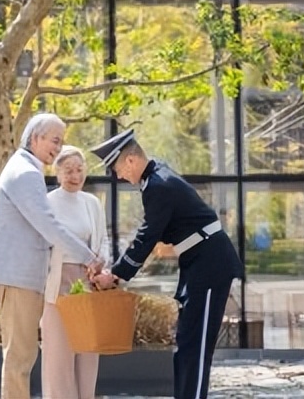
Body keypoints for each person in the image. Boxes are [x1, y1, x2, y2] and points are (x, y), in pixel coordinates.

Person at [90, 129, 243, 399]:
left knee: (194, 346)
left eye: (117, 169)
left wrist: (115, 275)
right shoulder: (157, 177)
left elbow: (146, 237)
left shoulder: (158, 186)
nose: (118, 176)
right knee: (186, 343)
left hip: (209, 265)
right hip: (197, 264)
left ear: (131, 161)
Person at [0, 113, 104, 399]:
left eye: (61, 141)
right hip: (17, 281)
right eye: (54, 140)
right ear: (35, 138)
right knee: (19, 361)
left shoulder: (25, 169)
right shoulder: (25, 173)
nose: (58, 148)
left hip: (21, 280)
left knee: (21, 359)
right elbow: (50, 226)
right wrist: (89, 258)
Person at [40, 145, 109, 399]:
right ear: (57, 172)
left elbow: (103, 240)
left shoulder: (91, 203)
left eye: (79, 170)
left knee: (88, 352)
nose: (75, 176)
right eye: (68, 170)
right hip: (58, 284)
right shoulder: (47, 203)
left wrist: (101, 260)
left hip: (88, 283)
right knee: (59, 355)